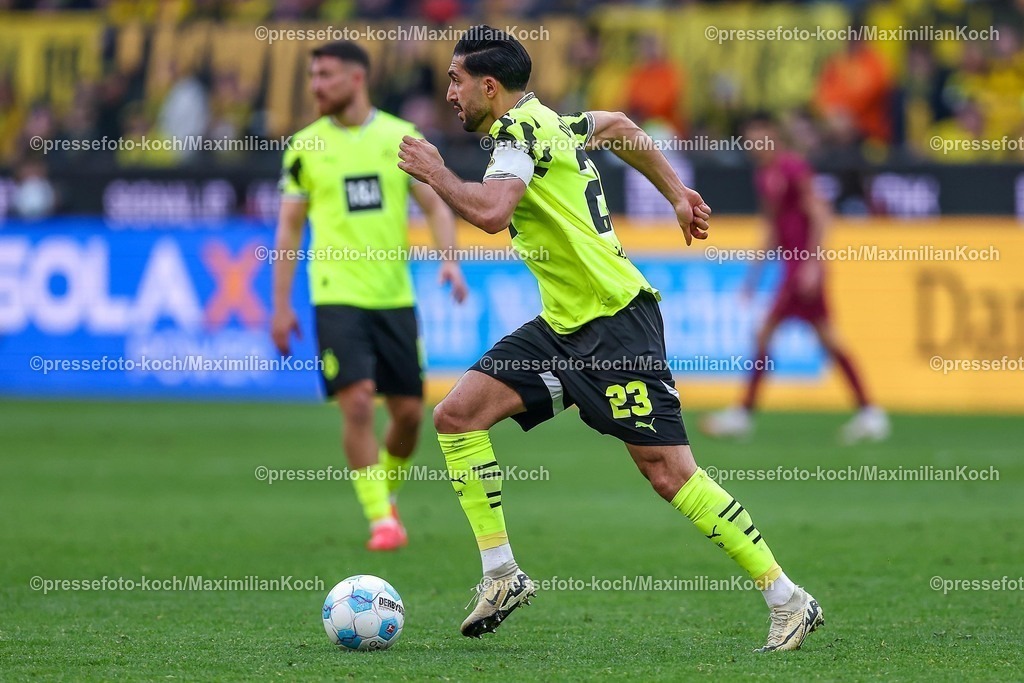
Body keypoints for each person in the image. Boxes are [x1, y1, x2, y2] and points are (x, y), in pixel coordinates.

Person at [397, 26, 823, 651]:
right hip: (564, 326)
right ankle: (501, 574)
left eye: (457, 79)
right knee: (457, 416)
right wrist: (678, 194)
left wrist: (435, 172)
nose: (449, 92)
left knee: (670, 474)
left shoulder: (518, 135)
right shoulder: (553, 123)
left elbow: (490, 214)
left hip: (615, 324)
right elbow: (620, 124)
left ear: (491, 86)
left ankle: (788, 599)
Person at [272, 41, 468, 551]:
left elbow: (437, 204)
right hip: (336, 294)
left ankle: (383, 491)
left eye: (326, 76)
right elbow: (289, 230)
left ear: (357, 79)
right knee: (357, 402)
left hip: (393, 296)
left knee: (407, 414)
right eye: (313, 76)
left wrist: (450, 257)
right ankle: (381, 518)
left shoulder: (401, 138)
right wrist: (280, 305)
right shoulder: (304, 147)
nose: (316, 86)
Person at [701, 113, 890, 444]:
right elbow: (773, 227)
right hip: (794, 268)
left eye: (758, 136)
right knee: (827, 339)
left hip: (802, 269)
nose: (753, 144)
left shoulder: (792, 168)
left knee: (765, 333)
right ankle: (870, 412)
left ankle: (743, 413)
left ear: (773, 136)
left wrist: (813, 263)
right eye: (748, 138)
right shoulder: (765, 176)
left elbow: (820, 213)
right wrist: (753, 276)